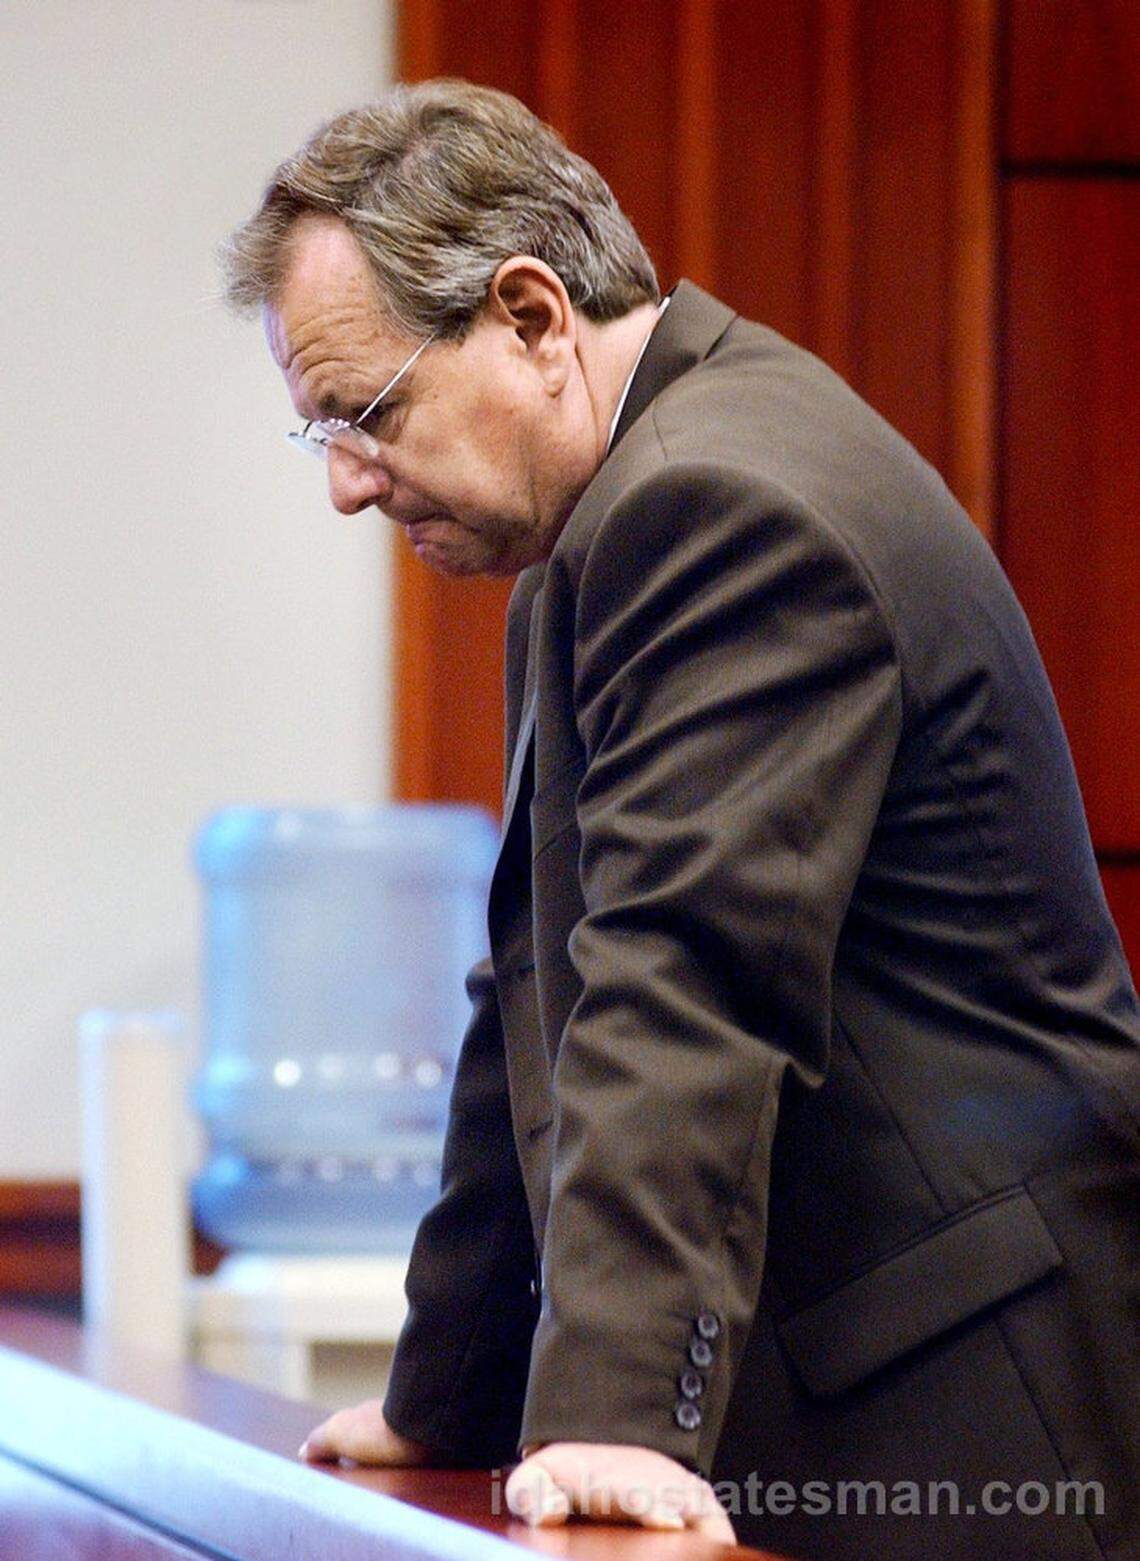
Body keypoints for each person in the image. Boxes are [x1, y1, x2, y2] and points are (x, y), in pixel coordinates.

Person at [223, 80, 1140, 1559]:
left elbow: (688, 978)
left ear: (531, 317)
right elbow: (534, 987)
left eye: (367, 413)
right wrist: (448, 1393)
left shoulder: (720, 500)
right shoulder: (603, 528)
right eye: (316, 434)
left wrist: (613, 1416)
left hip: (975, 1407)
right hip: (872, 1380)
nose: (344, 485)